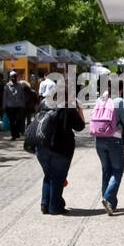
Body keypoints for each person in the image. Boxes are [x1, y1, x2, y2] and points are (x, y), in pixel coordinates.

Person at [35, 78, 85, 215]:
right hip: (61, 148)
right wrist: (79, 110)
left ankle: (45, 204)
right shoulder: (68, 107)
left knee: (48, 175)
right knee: (58, 177)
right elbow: (80, 126)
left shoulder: (44, 103)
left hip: (41, 147)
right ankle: (55, 207)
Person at [90, 86, 124, 214]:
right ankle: (107, 198)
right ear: (119, 90)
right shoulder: (119, 101)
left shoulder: (99, 100)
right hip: (115, 139)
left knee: (106, 170)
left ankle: (109, 203)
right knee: (117, 170)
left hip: (99, 139)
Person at [2, 69, 28, 139]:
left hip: (18, 106)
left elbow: (22, 96)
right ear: (10, 78)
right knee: (11, 121)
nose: (13, 78)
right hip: (10, 107)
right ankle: (13, 135)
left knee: (18, 120)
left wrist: (23, 105)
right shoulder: (7, 86)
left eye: (15, 77)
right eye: (12, 77)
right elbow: (5, 97)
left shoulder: (20, 86)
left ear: (16, 77)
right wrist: (4, 107)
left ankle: (16, 132)